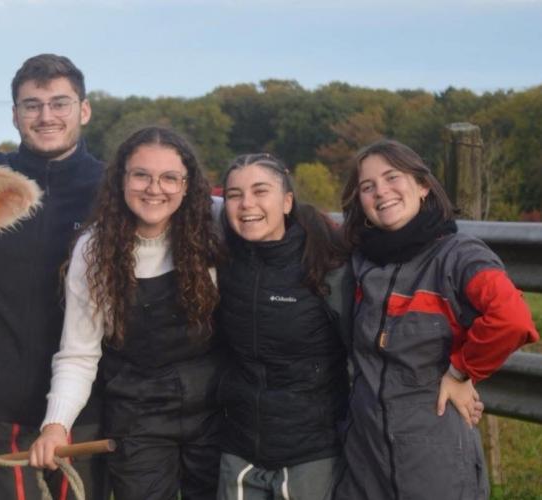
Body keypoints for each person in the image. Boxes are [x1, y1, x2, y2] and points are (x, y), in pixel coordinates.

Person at [335, 139, 538, 499]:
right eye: (368, 187)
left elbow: (511, 318)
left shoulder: (458, 255)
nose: (381, 192)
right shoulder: (361, 259)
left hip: (432, 455)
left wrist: (462, 372)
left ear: (423, 185)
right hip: (364, 457)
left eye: (392, 177)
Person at [29, 126, 224, 500]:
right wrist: (55, 425)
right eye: (141, 175)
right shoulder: (93, 251)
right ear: (121, 180)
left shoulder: (216, 226)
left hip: (216, 408)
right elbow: (79, 354)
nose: (155, 189)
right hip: (138, 416)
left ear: (188, 185)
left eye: (170, 178)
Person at [0, 53, 108, 499]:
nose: (46, 116)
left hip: (88, 404)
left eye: (59, 103)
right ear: (15, 114)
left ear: (84, 109)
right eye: (32, 105)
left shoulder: (115, 190)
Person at [213, 154, 351, 499]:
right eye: (234, 195)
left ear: (287, 201)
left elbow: (366, 348)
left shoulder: (325, 265)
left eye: (261, 191)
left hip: (312, 453)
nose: (247, 204)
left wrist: (458, 375)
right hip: (239, 449)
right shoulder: (219, 264)